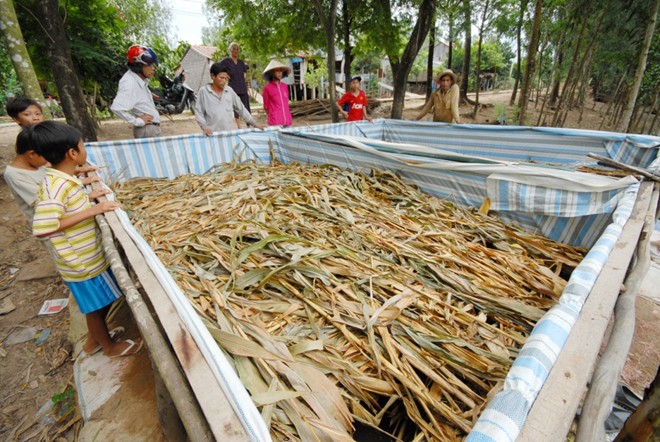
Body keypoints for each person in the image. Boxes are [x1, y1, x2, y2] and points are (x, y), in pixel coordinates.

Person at [29, 121, 142, 358]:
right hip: (80, 262)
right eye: (82, 145)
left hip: (88, 255)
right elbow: (43, 227)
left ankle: (94, 340)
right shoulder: (55, 186)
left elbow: (69, 206)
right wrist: (92, 211)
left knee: (102, 302)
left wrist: (90, 195)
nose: (84, 149)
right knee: (95, 307)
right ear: (72, 153)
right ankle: (108, 347)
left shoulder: (64, 179)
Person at [195, 64, 262, 135]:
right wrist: (204, 127)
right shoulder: (204, 91)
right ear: (213, 76)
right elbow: (199, 113)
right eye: (221, 78)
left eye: (226, 78)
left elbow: (241, 109)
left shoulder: (229, 91)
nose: (224, 81)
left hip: (227, 135)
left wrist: (255, 124)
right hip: (211, 136)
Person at [111, 45, 161, 138]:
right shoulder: (129, 82)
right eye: (149, 65)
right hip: (147, 130)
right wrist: (138, 121)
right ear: (138, 66)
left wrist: (149, 95)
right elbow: (117, 108)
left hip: (150, 129)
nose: (153, 68)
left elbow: (137, 95)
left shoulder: (138, 79)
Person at [219, 42, 251, 127]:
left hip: (242, 87)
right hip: (233, 87)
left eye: (237, 49)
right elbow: (218, 68)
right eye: (234, 49)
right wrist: (225, 76)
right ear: (229, 50)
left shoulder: (241, 62)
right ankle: (239, 126)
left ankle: (248, 125)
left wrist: (243, 76)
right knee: (236, 106)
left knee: (246, 106)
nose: (236, 51)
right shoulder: (226, 61)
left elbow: (244, 72)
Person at [262, 60, 293, 127]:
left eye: (281, 71)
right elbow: (266, 107)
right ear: (272, 73)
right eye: (277, 71)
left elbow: (286, 102)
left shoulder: (285, 86)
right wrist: (273, 115)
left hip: (287, 120)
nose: (280, 73)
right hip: (275, 122)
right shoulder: (267, 88)